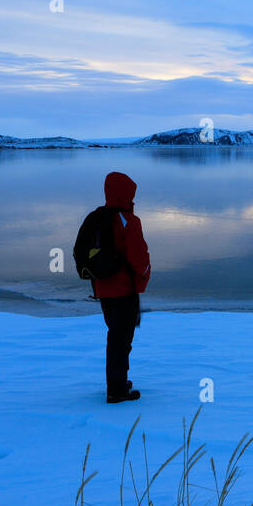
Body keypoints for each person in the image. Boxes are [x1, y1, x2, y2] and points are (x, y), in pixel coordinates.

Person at [94, 171, 151, 402]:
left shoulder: (99, 217)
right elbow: (139, 258)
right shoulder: (128, 221)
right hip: (124, 290)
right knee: (121, 340)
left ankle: (117, 383)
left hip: (104, 290)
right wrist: (144, 278)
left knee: (115, 337)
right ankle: (116, 391)